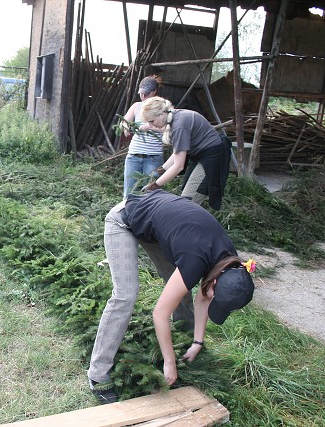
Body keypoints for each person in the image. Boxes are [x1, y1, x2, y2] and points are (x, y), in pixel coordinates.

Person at [87, 190, 255, 404]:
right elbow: (160, 314)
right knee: (126, 295)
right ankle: (98, 373)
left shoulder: (229, 262)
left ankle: (183, 341)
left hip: (161, 224)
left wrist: (197, 341)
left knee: (180, 290)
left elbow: (204, 297)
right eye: (216, 298)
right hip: (125, 219)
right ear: (215, 281)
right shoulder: (197, 260)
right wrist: (169, 362)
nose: (212, 300)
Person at [140, 96, 231, 211]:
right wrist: (162, 170)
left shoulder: (179, 126)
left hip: (212, 156)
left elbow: (178, 166)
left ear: (162, 114)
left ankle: (189, 223)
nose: (151, 126)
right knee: (186, 193)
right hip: (200, 154)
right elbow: (177, 152)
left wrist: (155, 185)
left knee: (188, 201)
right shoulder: (173, 117)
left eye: (152, 121)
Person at [121, 75, 164, 197]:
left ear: (154, 92)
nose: (143, 96)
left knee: (150, 194)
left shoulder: (162, 108)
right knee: (129, 193)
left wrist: (150, 126)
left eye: (146, 93)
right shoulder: (136, 106)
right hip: (133, 156)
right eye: (141, 93)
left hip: (153, 157)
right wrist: (125, 127)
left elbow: (168, 129)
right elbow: (124, 121)